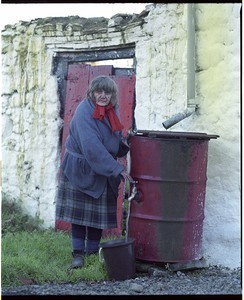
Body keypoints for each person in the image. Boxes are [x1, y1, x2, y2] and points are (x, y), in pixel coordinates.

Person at [55, 75, 134, 269]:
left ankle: (91, 254)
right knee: (80, 217)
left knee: (96, 218)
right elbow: (92, 147)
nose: (103, 96)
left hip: (100, 168)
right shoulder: (84, 112)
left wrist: (124, 144)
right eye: (99, 91)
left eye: (107, 92)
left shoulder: (110, 110)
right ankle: (77, 255)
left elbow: (112, 138)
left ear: (112, 94)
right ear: (91, 93)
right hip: (80, 169)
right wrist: (117, 169)